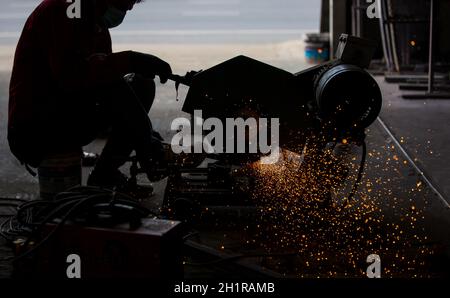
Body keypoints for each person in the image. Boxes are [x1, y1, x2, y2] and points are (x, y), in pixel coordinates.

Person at [8, 0, 173, 189]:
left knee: (140, 85)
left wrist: (142, 130)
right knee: (117, 89)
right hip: (33, 131)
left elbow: (104, 87)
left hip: (60, 114)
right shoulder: (63, 9)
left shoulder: (94, 22)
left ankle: (105, 175)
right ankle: (148, 158)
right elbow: (71, 77)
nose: (129, 7)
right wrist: (130, 60)